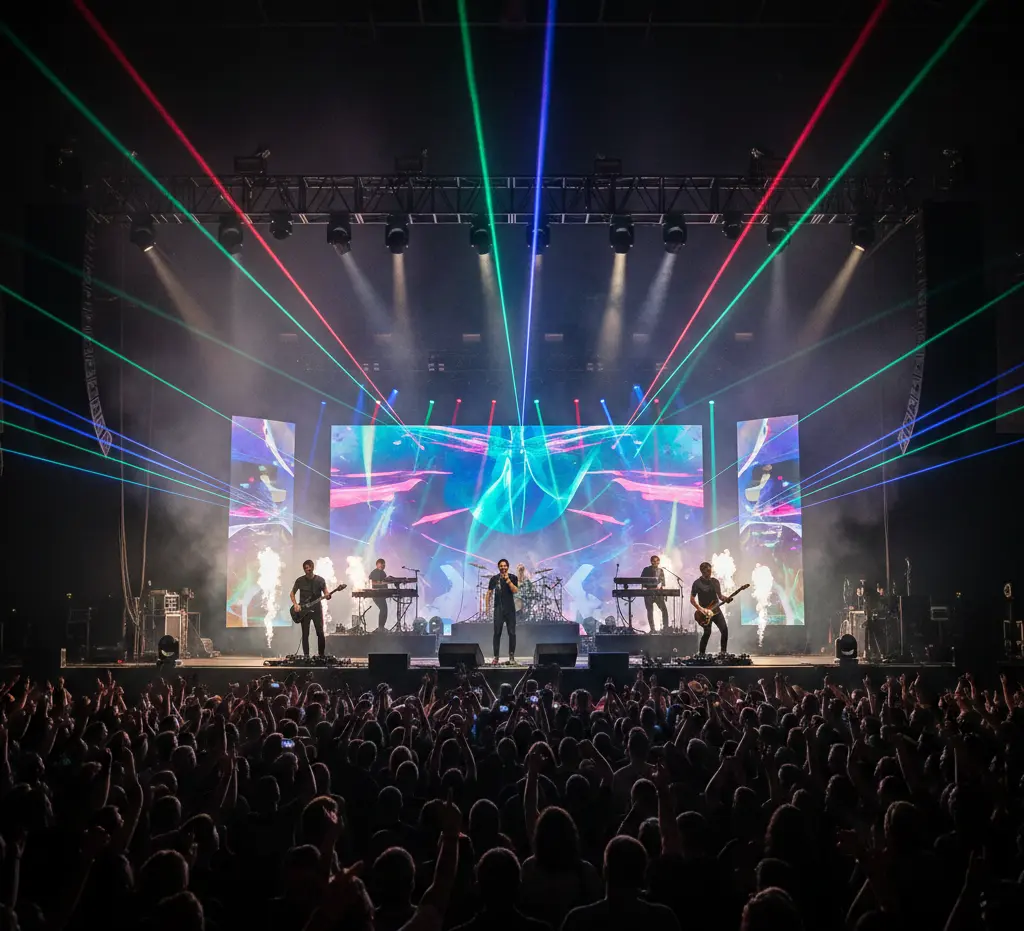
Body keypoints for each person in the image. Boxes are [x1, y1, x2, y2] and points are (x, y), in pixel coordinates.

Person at [290, 559, 331, 657]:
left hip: (317, 610)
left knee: (320, 633)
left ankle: (321, 656)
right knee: (305, 634)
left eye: (308, 567)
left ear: (313, 567)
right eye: (305, 568)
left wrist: (328, 595)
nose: (307, 570)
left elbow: (326, 593)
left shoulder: (320, 580)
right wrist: (295, 604)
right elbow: (292, 593)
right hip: (304, 611)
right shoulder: (300, 580)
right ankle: (306, 656)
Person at [690, 561, 730, 655]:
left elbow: (720, 596)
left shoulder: (715, 582)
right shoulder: (697, 583)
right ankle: (701, 654)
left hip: (716, 611)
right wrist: (701, 609)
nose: (709, 573)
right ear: (702, 571)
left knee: (724, 630)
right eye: (707, 571)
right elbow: (692, 600)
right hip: (705, 613)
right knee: (707, 633)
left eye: (710, 571)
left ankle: (723, 652)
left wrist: (726, 599)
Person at [486, 559, 519, 665]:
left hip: (510, 609)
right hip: (498, 609)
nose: (503, 567)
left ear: (508, 567)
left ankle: (511, 657)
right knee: (497, 633)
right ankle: (496, 657)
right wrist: (487, 607)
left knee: (512, 633)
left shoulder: (513, 577)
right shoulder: (494, 579)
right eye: (501, 566)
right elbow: (489, 593)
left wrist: (508, 580)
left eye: (505, 566)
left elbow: (515, 591)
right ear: (498, 567)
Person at [641, 555, 669, 633]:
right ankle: (652, 629)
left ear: (659, 562)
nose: (655, 562)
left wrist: (662, 589)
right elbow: (641, 580)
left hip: (657, 593)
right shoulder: (646, 569)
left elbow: (663, 583)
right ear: (651, 562)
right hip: (648, 592)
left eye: (657, 561)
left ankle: (665, 628)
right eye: (654, 561)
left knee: (664, 610)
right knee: (650, 611)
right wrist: (644, 588)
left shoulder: (661, 570)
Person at [369, 558, 390, 632]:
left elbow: (385, 582)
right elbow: (372, 582)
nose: (383, 566)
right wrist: (381, 583)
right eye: (381, 565)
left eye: (384, 565)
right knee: (383, 609)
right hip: (376, 594)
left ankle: (382, 627)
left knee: (385, 610)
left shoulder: (383, 573)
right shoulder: (374, 572)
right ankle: (380, 627)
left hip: (382, 594)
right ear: (377, 565)